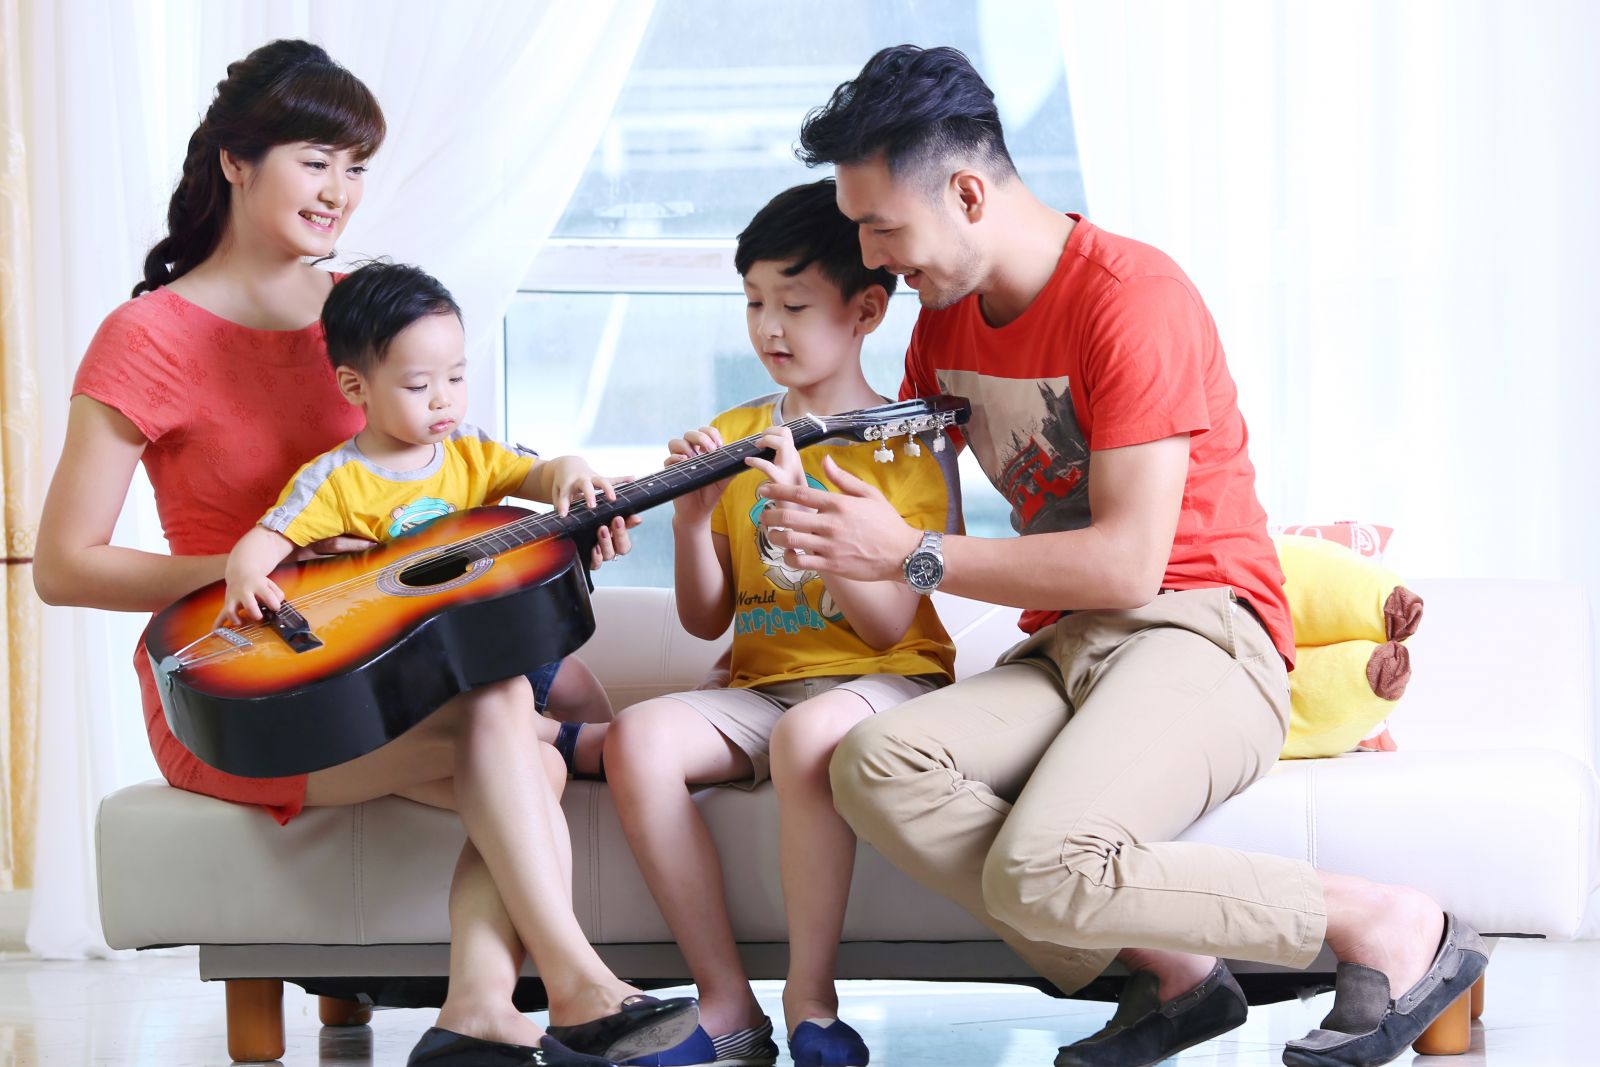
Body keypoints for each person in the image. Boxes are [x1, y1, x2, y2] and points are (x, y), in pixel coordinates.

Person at [751, 45, 1485, 1067]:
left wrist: (910, 553)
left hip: (1202, 631)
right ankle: (1178, 974)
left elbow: (1128, 565)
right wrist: (815, 513)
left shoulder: (1131, 297)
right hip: (1066, 649)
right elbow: (909, 526)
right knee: (873, 762)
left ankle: (1388, 922)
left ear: (966, 194)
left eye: (881, 227)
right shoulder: (940, 330)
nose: (872, 257)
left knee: (1043, 862)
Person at [33, 39, 690, 1067]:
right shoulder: (147, 336)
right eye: (315, 161)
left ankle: (485, 1010)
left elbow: (450, 476)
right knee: (514, 730)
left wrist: (560, 505)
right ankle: (564, 991)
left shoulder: (363, 321)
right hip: (248, 688)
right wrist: (261, 570)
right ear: (235, 162)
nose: (339, 191)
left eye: (356, 166)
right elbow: (65, 565)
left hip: (392, 667)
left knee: (507, 714)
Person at [601, 179, 962, 1067]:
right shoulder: (735, 436)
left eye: (793, 305)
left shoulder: (905, 441)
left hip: (888, 683)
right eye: (754, 302)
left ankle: (812, 1001)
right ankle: (727, 1005)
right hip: (764, 689)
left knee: (808, 733)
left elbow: (889, 627)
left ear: (866, 309)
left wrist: (811, 517)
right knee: (637, 739)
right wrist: (690, 522)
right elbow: (705, 619)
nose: (769, 327)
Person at [218, 259, 611, 779]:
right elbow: (267, 538)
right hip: (417, 665)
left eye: (457, 376)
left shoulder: (469, 449)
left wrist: (570, 469)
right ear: (355, 387)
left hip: (493, 633)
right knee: (509, 708)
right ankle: (569, 745)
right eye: (418, 385)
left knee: (578, 684)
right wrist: (245, 575)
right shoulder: (335, 480)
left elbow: (539, 475)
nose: (444, 398)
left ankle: (608, 771)